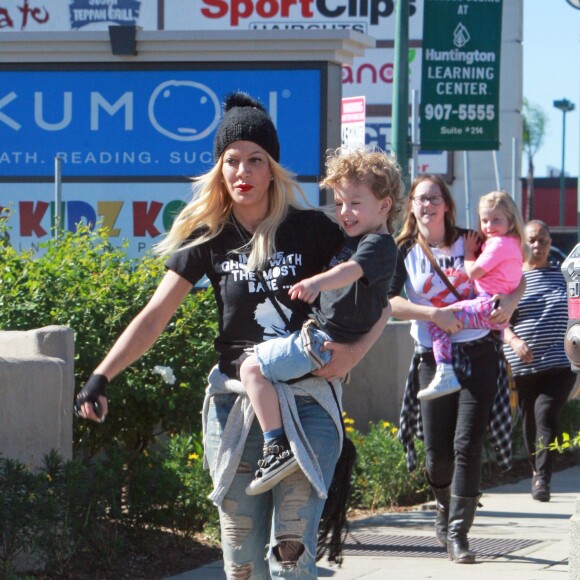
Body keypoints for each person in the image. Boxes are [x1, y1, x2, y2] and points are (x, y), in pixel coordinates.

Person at [74, 92, 390, 579]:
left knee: (291, 559)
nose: (243, 172)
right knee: (241, 566)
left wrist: (351, 354)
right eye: (232, 161)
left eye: (255, 161)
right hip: (234, 408)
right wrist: (100, 376)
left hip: (309, 403)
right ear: (219, 169)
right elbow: (155, 316)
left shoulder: (314, 230)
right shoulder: (209, 238)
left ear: (272, 168)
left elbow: (382, 298)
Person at [240, 148, 401, 495]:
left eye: (355, 203)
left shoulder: (378, 245)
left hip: (319, 342)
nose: (345, 212)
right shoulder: (355, 238)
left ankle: (275, 446)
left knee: (250, 370)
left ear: (384, 205)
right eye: (341, 203)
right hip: (315, 340)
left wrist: (315, 282)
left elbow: (350, 272)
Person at [388, 174, 523, 564]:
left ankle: (459, 533)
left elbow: (516, 276)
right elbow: (390, 302)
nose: (427, 205)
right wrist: (433, 313)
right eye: (419, 199)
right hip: (432, 358)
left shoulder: (473, 238)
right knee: (437, 455)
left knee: (468, 446)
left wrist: (512, 302)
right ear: (411, 207)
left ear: (446, 203)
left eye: (434, 198)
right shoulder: (404, 250)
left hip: (479, 352)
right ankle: (444, 510)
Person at [419, 190, 526, 400]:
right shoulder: (513, 243)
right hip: (494, 308)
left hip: (486, 304)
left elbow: (473, 272)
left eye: (496, 220)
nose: (489, 226)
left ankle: (445, 372)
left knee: (437, 321)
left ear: (510, 220)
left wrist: (468, 252)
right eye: (485, 220)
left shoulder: (498, 244)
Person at [503, 220, 577, 502]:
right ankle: (537, 469)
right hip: (524, 364)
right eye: (532, 240)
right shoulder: (512, 280)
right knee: (531, 420)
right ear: (522, 243)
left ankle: (543, 480)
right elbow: (498, 321)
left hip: (560, 362)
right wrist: (513, 341)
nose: (538, 245)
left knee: (546, 414)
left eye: (543, 240)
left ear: (550, 244)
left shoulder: (563, 277)